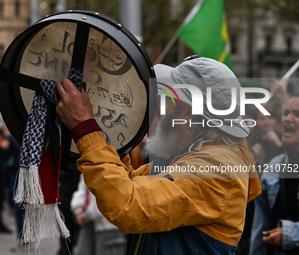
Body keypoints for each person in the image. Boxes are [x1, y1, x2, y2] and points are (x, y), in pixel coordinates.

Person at [55, 56, 261, 254]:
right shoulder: (194, 156)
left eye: (169, 100)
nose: (162, 109)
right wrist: (106, 125)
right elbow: (125, 181)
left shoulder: (216, 168)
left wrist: (85, 128)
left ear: (188, 113)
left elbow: (127, 204)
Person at [249, 94, 299, 255]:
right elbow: (261, 228)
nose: (288, 119)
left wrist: (291, 234)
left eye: (296, 114)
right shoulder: (275, 166)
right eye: (285, 114)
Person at [71, 175, 126, 255]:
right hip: (89, 221)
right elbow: (83, 187)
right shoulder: (87, 164)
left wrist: (84, 216)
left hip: (109, 224)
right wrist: (78, 210)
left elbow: (103, 200)